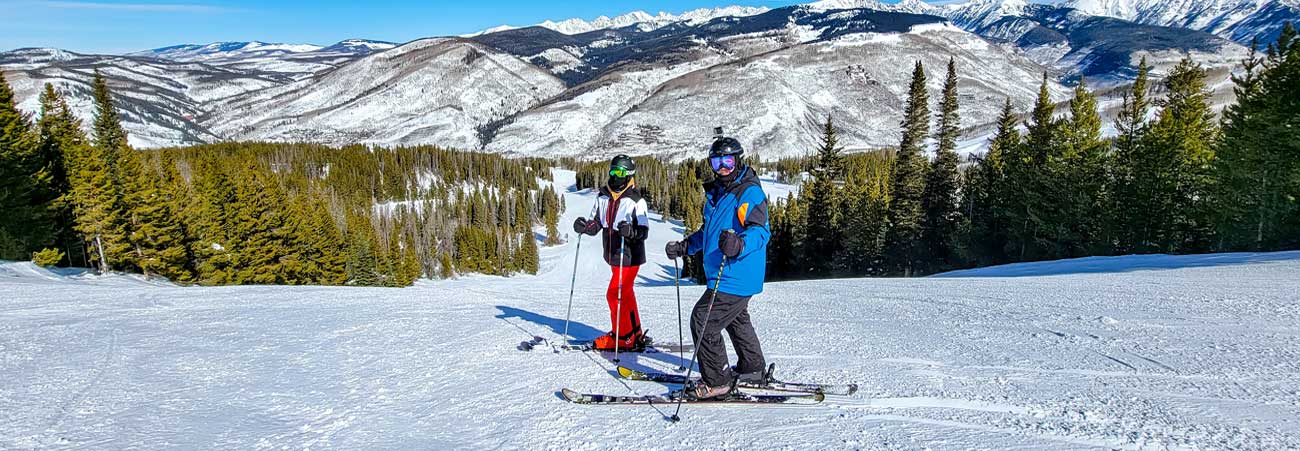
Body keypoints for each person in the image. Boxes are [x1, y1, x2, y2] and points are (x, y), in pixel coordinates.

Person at [665, 134, 771, 399]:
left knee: (703, 321)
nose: (722, 167)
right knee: (735, 319)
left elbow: (760, 231)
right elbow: (708, 233)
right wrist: (685, 247)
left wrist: (739, 244)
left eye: (727, 161)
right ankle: (752, 367)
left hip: (737, 273)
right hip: (725, 275)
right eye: (716, 162)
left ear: (738, 160)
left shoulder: (748, 192)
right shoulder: (718, 194)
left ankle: (718, 381)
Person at [572, 155, 652, 351]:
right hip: (613, 254)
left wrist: (630, 231)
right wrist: (584, 226)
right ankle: (635, 333)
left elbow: (644, 231)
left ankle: (622, 337)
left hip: (630, 255)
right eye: (614, 171)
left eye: (621, 172)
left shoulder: (635, 200)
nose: (617, 176)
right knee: (625, 294)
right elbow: (596, 223)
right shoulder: (603, 196)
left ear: (630, 175)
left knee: (614, 294)